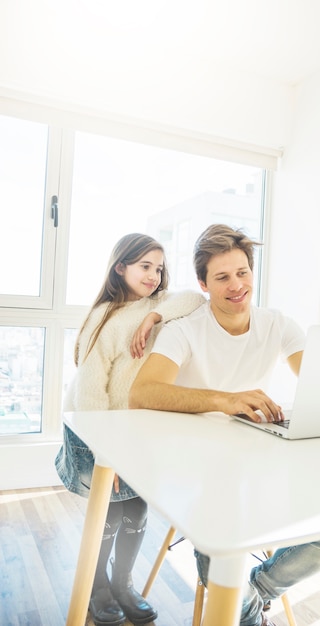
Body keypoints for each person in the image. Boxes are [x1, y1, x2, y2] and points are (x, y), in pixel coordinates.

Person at [128, 224, 320, 626]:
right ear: (203, 284)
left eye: (243, 272)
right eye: (223, 277)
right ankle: (245, 610)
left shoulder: (278, 324)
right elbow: (142, 393)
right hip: (196, 468)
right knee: (221, 536)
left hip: (259, 460)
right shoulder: (184, 330)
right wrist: (224, 400)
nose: (237, 285)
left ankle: (256, 593)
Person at [55, 233, 205, 626]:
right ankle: (96, 587)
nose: (154, 275)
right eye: (144, 266)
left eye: (159, 268)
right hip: (97, 428)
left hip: (134, 428)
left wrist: (154, 316)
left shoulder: (159, 306)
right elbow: (90, 392)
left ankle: (123, 584)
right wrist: (110, 455)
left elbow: (194, 298)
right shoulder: (102, 317)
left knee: (137, 509)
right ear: (120, 267)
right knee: (109, 511)